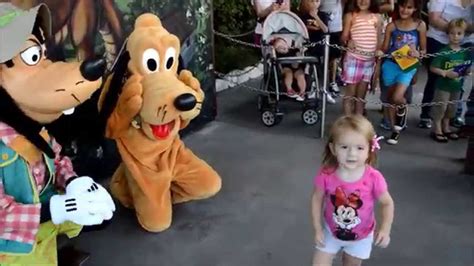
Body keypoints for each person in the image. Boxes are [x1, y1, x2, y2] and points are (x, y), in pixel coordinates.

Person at [311, 115, 394, 266]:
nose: (352, 154)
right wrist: (317, 228)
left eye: (359, 148)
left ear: (370, 149)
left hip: (361, 237)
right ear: (333, 148)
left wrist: (385, 228)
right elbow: (317, 198)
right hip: (330, 232)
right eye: (344, 147)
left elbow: (387, 203)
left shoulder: (374, 178)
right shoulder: (326, 174)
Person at [418, 0, 473, 129]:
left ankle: (452, 116)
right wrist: (457, 30)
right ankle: (427, 114)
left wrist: (461, 31)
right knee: (435, 79)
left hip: (465, 43)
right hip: (439, 40)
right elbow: (434, 19)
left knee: (459, 78)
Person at [378, 0, 426, 145]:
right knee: (391, 99)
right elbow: (385, 47)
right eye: (402, 6)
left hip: (408, 66)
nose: (405, 10)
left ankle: (402, 111)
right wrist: (380, 51)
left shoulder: (420, 25)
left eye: (409, 7)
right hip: (390, 65)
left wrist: (417, 53)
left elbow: (424, 50)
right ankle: (395, 130)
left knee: (398, 97)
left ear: (415, 9)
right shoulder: (391, 26)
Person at [429, 18, 472, 142]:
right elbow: (433, 67)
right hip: (443, 85)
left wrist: (467, 71)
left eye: (459, 33)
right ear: (448, 34)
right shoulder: (444, 51)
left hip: (457, 86)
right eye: (452, 33)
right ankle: (437, 128)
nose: (455, 36)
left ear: (464, 35)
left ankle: (446, 127)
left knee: (451, 108)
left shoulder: (464, 52)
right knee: (440, 107)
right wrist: (444, 72)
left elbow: (467, 66)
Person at [340, 0, 383, 115]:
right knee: (350, 94)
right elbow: (343, 36)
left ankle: (358, 122)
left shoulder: (377, 17)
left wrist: (379, 54)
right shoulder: (351, 16)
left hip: (369, 61)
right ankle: (348, 122)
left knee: (361, 96)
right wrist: (348, 41)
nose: (363, 1)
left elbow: (379, 40)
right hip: (353, 59)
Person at [320, 0, 345, 104]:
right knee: (322, 58)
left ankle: (332, 82)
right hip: (321, 26)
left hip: (336, 27)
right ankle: (322, 85)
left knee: (334, 57)